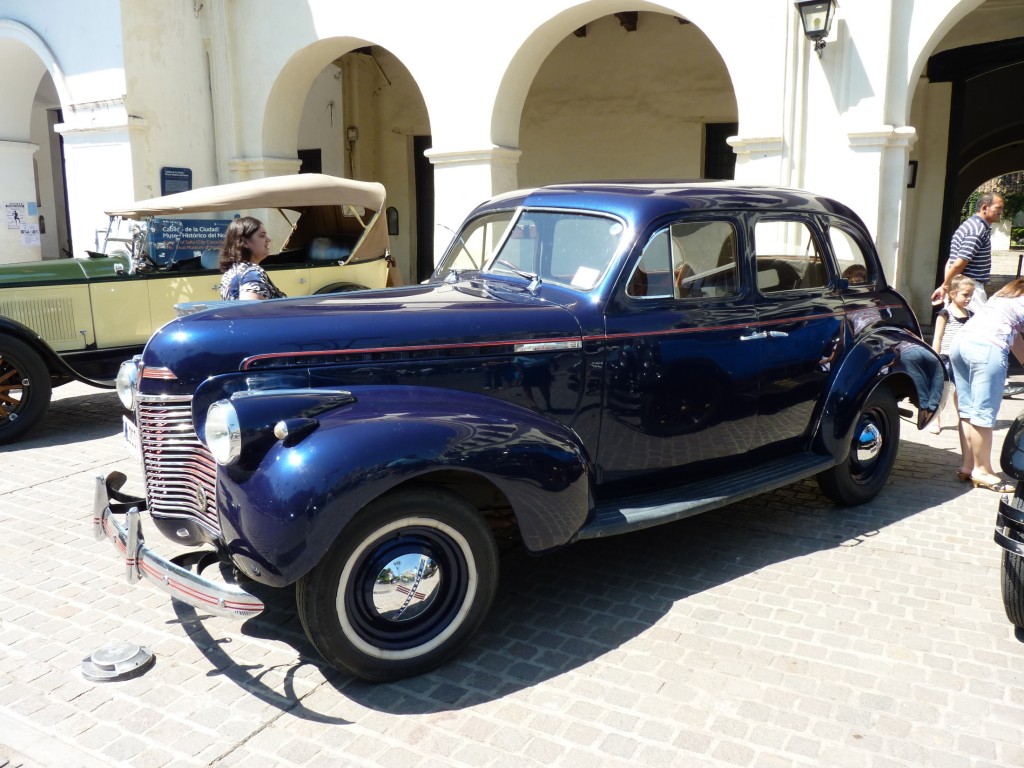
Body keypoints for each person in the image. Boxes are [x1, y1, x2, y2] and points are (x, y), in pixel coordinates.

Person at [949, 277, 1024, 493]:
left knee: (968, 410)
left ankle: (968, 466)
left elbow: (1015, 333)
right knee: (984, 414)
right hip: (986, 349)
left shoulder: (1007, 295)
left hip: (961, 343)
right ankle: (983, 471)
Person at [931, 192, 1005, 307]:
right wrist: (945, 286)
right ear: (984, 207)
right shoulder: (977, 228)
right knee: (976, 324)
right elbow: (960, 262)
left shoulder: (971, 225)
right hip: (969, 289)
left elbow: (952, 260)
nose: (1001, 212)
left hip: (962, 286)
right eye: (998, 208)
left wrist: (947, 284)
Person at [929, 275, 975, 435]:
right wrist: (935, 355)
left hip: (962, 357)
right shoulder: (945, 313)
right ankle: (935, 419)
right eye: (965, 294)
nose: (969, 298)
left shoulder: (971, 315)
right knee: (941, 389)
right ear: (953, 294)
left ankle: (961, 419)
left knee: (961, 390)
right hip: (946, 357)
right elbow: (938, 336)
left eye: (971, 295)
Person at [218, 216, 286, 301]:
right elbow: (251, 308)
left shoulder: (232, 271)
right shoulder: (251, 272)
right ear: (245, 242)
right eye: (262, 236)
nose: (268, 239)